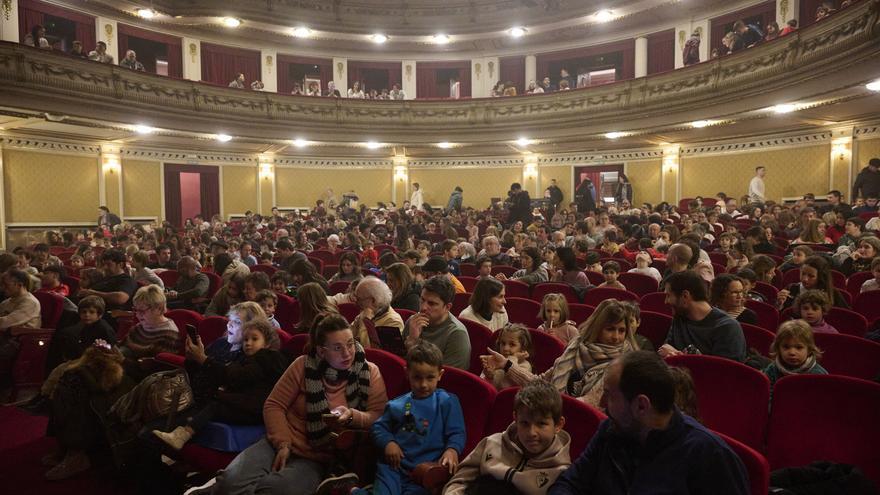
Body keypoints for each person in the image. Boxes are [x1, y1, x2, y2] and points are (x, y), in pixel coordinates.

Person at [205, 314, 388, 495]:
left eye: (350, 344)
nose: (347, 353)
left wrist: (352, 416)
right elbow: (274, 405)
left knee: (273, 489)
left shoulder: (369, 372)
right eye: (337, 348)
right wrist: (283, 443)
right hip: (280, 442)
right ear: (321, 351)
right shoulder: (303, 365)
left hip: (318, 458)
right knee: (230, 484)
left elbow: (379, 416)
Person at [549, 351, 749, 495]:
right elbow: (570, 483)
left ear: (641, 406)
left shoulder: (710, 455)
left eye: (609, 395)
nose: (601, 403)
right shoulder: (610, 431)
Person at [347, 341, 465, 495]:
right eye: (417, 377)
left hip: (423, 473)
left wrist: (452, 450)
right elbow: (378, 427)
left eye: (430, 378)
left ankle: (354, 491)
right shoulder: (397, 405)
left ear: (440, 375)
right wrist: (389, 443)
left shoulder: (447, 401)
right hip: (393, 468)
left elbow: (457, 432)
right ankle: (351, 490)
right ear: (407, 373)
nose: (423, 384)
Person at [152, 318, 288, 450]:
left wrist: (204, 360)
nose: (248, 343)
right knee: (211, 404)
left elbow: (237, 377)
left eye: (254, 339)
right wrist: (195, 359)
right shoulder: (246, 357)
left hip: (255, 410)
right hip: (243, 404)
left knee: (215, 406)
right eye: (246, 339)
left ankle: (182, 435)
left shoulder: (266, 358)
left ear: (267, 343)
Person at [482, 300, 637, 407]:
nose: (616, 337)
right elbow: (541, 383)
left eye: (621, 330)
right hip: (554, 410)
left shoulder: (622, 365)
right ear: (597, 328)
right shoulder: (575, 348)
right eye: (610, 329)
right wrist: (507, 365)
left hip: (581, 421)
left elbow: (591, 403)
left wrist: (549, 403)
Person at [443, 380, 571, 495]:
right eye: (524, 423)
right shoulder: (492, 443)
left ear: (558, 425)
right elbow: (459, 482)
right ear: (515, 418)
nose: (532, 433)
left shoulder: (562, 474)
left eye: (541, 424)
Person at [659, 270, 748, 362]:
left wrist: (679, 356)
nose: (666, 301)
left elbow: (724, 369)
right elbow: (665, 350)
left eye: (668, 295)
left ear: (685, 296)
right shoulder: (680, 316)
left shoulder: (727, 327)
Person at [403, 276, 471, 370]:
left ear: (447, 307)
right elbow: (399, 362)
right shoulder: (413, 322)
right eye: (422, 299)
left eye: (431, 303)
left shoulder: (457, 334)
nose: (423, 307)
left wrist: (413, 344)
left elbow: (448, 376)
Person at [118, 284, 179, 360]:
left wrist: (121, 359)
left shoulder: (168, 336)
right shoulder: (141, 326)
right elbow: (122, 345)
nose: (137, 315)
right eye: (136, 310)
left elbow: (152, 366)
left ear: (159, 308)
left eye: (142, 310)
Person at [763, 320, 828, 390]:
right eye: (786, 347)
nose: (792, 352)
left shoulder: (818, 374)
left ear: (809, 350)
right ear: (778, 348)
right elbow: (766, 393)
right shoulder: (772, 369)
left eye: (799, 347)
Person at [350, 276, 405, 349]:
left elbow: (373, 351)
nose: (355, 302)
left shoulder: (393, 322)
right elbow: (349, 337)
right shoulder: (367, 312)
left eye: (359, 299)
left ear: (373, 301)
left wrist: (366, 322)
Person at [776, 255, 850, 309]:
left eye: (811, 276)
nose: (805, 279)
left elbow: (843, 316)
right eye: (803, 274)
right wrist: (779, 304)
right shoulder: (792, 288)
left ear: (820, 277)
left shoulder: (832, 293)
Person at [482, 324, 532, 390]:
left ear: (523, 348)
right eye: (503, 343)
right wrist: (489, 376)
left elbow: (506, 387)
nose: (505, 348)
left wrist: (513, 358)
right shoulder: (496, 360)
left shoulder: (525, 366)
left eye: (512, 344)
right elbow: (489, 388)